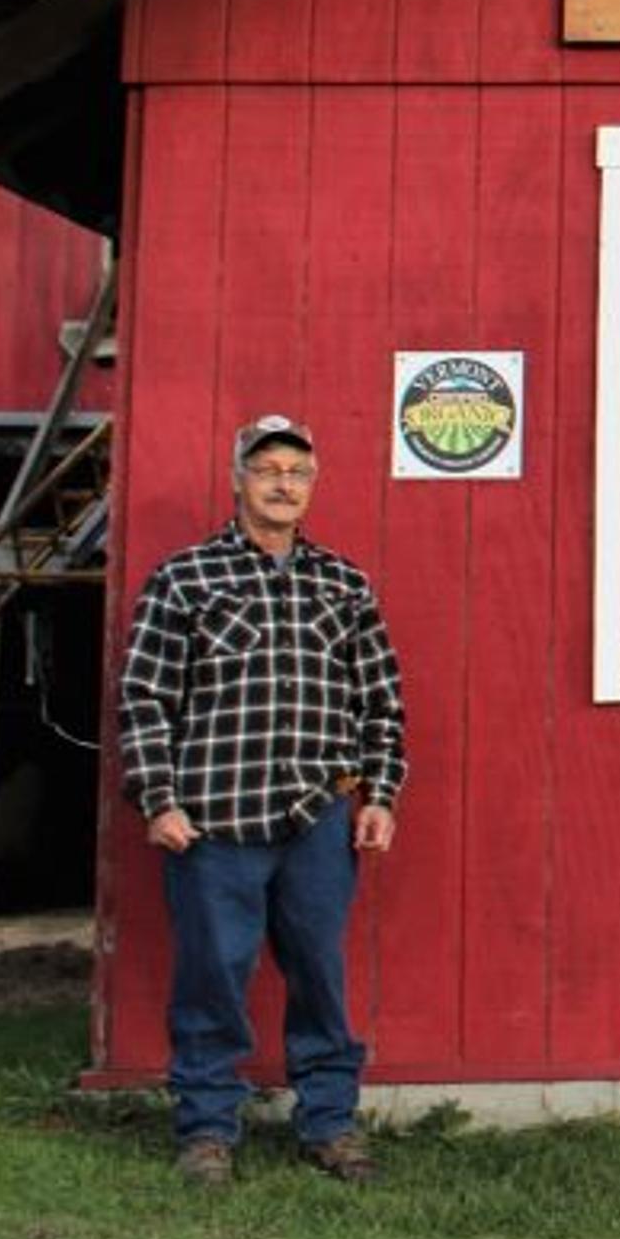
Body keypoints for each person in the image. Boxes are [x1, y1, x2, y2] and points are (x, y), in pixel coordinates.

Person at [119, 415, 409, 1188]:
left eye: (298, 472)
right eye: (268, 469)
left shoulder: (344, 584)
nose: (283, 484)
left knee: (319, 973)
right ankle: (209, 1129)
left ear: (311, 487)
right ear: (238, 480)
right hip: (214, 820)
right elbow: (145, 699)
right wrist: (157, 798)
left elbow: (379, 699)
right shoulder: (185, 579)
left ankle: (329, 1124)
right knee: (214, 974)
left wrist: (380, 793)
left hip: (317, 816)